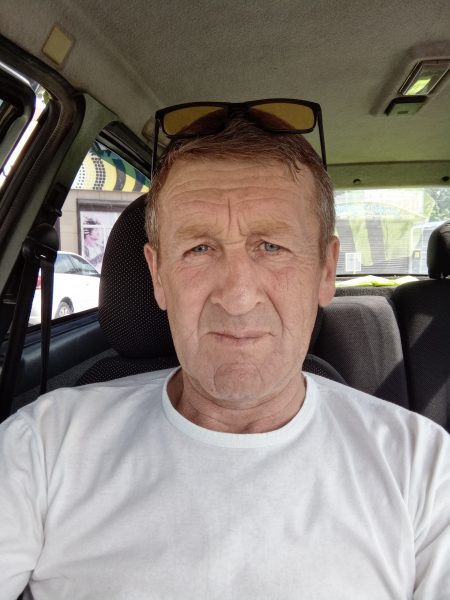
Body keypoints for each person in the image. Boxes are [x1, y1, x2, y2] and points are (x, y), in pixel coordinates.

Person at [0, 104, 449, 600]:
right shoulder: (44, 446)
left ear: (325, 271)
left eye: (271, 246)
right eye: (199, 249)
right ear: (157, 275)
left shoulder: (424, 468)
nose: (237, 297)